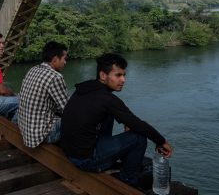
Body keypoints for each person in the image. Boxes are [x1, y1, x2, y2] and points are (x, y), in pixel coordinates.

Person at [60, 53, 173, 187]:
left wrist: (127, 121)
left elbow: (127, 117)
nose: (123, 80)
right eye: (118, 75)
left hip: (69, 152)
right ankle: (128, 180)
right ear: (103, 75)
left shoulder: (85, 88)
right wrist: (162, 141)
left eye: (124, 75)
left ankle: (112, 162)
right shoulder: (107, 99)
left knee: (110, 115)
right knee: (139, 138)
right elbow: (137, 123)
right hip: (85, 160)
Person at [18, 41, 69, 147]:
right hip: (40, 135)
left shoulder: (33, 69)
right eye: (64, 59)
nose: (65, 62)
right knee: (80, 119)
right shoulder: (55, 77)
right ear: (55, 59)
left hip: (25, 130)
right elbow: (68, 109)